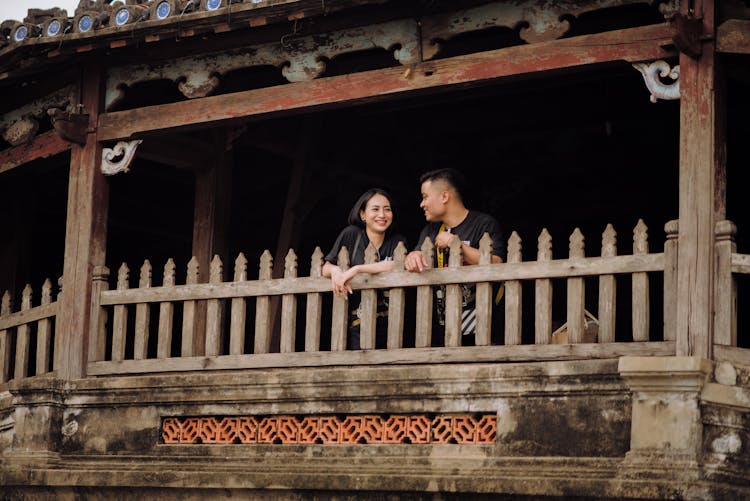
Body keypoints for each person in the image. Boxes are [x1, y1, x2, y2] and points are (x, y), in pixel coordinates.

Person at [404, 168, 505, 343]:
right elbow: (418, 253)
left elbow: (497, 264)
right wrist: (411, 257)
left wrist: (455, 244)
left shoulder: (484, 224)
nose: (422, 204)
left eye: (425, 197)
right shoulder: (430, 231)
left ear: (444, 196)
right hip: (443, 328)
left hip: (483, 327)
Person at [323, 188, 407, 350]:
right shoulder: (351, 235)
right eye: (375, 209)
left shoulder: (397, 240)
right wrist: (335, 271)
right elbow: (325, 267)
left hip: (391, 322)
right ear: (362, 214)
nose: (382, 215)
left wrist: (357, 269)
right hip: (356, 320)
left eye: (387, 209)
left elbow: (398, 264)